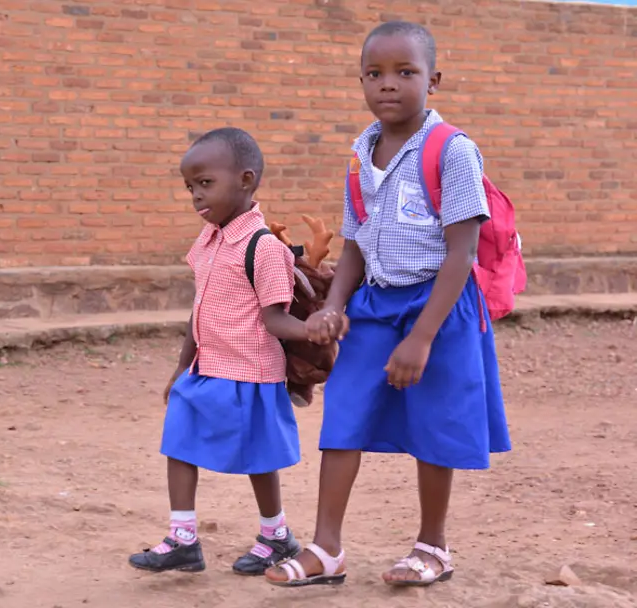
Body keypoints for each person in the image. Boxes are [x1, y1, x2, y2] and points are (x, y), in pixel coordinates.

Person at [264, 21, 511, 588]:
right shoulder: (360, 153)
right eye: (375, 74)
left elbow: (462, 252)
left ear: (434, 80)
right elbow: (355, 245)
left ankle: (433, 547)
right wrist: (334, 305)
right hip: (376, 304)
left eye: (406, 72)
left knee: (436, 423)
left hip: (440, 306)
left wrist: (422, 337)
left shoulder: (453, 150)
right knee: (344, 411)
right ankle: (326, 550)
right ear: (361, 82)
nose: (389, 85)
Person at [128, 127, 317, 575]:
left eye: (205, 183)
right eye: (189, 187)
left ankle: (276, 537)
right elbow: (200, 307)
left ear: (246, 180)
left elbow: (275, 320)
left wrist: (316, 331)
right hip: (206, 368)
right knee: (179, 440)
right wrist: (180, 365)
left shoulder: (263, 248)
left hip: (252, 373)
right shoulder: (208, 241)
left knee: (261, 458)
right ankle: (182, 538)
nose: (195, 195)